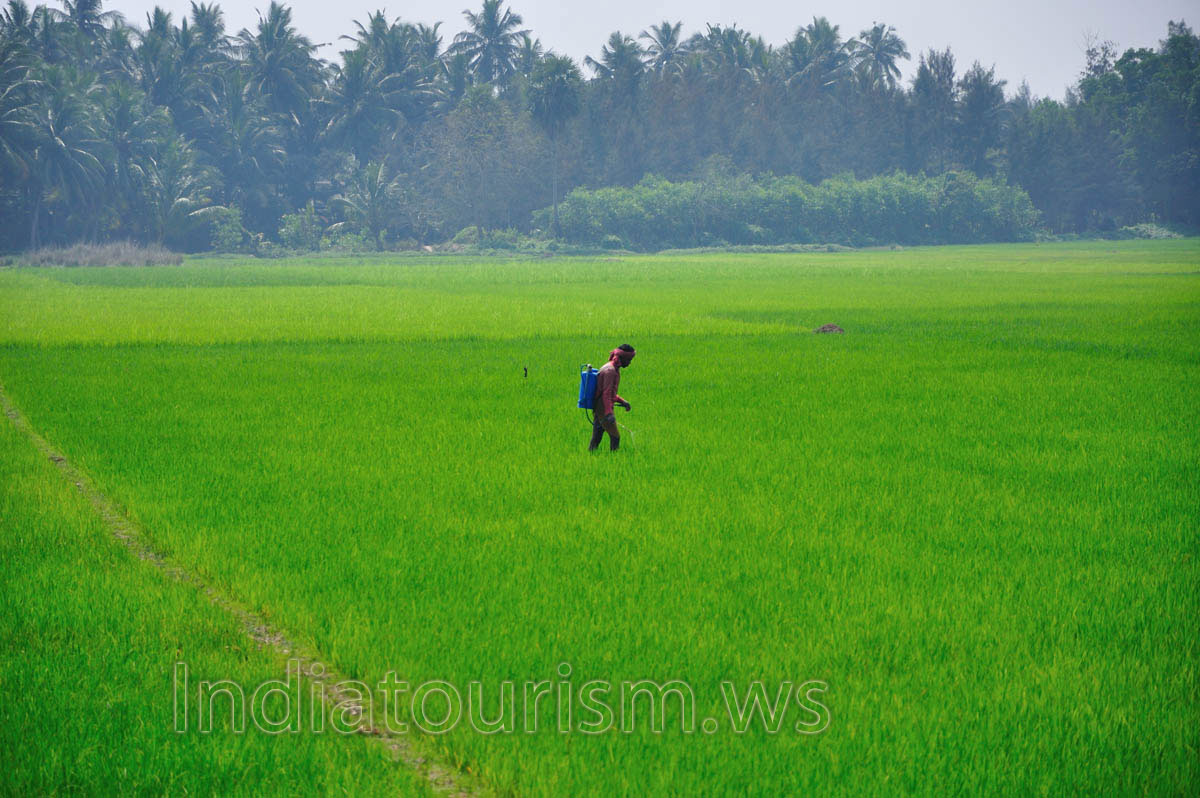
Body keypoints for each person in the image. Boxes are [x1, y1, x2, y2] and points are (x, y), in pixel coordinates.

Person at [589, 344, 635, 451]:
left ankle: (591, 454)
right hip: (602, 406)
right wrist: (609, 413)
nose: (629, 363)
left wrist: (623, 402)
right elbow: (606, 394)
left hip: (600, 405)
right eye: (628, 360)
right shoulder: (610, 371)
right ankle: (614, 459)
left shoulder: (613, 368)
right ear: (621, 358)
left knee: (597, 434)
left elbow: (611, 394)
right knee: (615, 436)